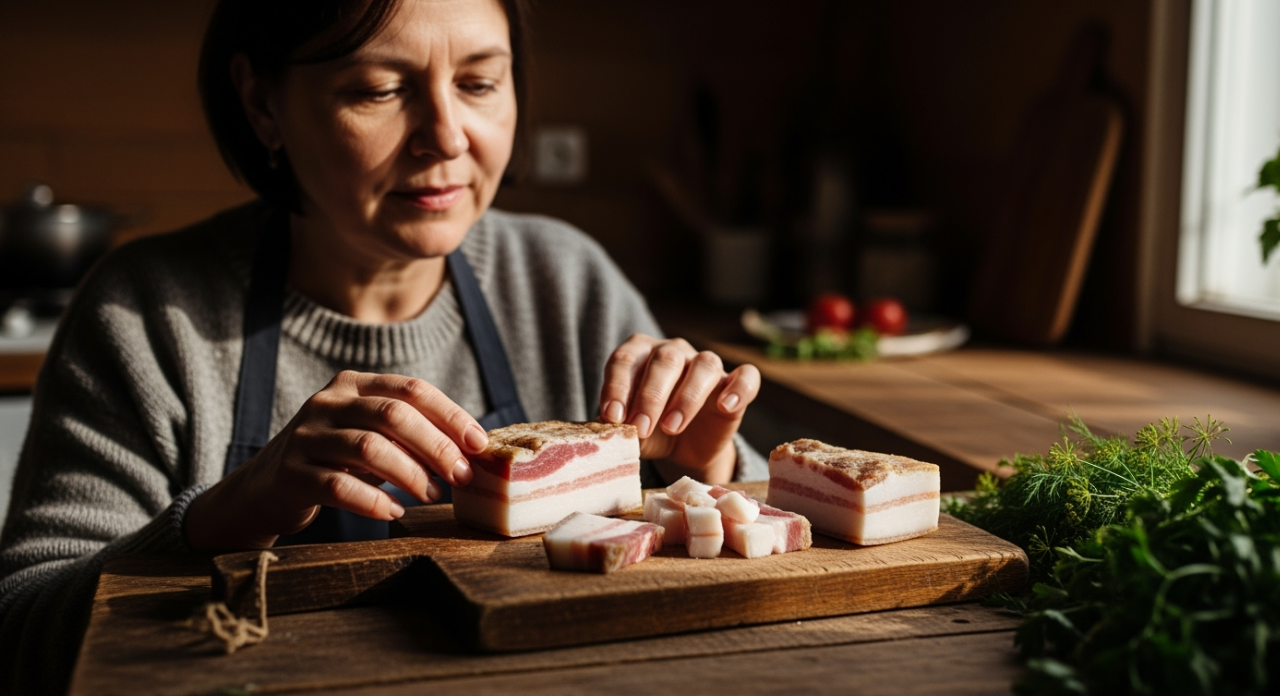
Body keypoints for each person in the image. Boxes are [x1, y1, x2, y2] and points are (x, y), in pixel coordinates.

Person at [0, 0, 765, 692]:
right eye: (378, 89)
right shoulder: (148, 314)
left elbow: (756, 551)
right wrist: (220, 519)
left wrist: (701, 468)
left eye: (479, 84)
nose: (445, 138)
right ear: (262, 102)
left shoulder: (563, 280)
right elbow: (21, 630)